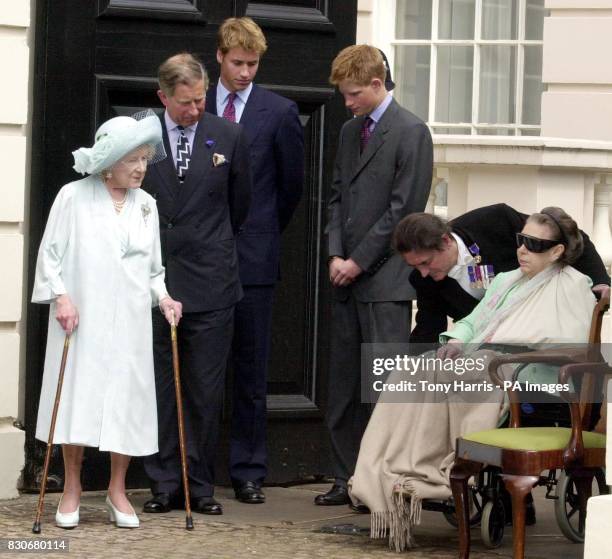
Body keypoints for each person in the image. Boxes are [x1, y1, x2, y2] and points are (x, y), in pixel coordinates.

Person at [350, 207, 597, 550]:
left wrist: (496, 346)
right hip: (490, 359)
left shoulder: (573, 286)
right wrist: (454, 342)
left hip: (536, 375)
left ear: (556, 251)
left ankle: (441, 468)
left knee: (475, 368)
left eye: (534, 244)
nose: (522, 249)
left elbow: (566, 343)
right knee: (411, 371)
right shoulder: (506, 280)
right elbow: (473, 321)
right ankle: (389, 474)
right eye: (520, 241)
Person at [32, 113, 182, 529]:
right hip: (80, 319)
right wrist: (61, 297)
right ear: (108, 162)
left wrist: (165, 297)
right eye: (132, 160)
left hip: (130, 323)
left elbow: (154, 270)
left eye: (145, 160)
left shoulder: (147, 205)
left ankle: (118, 490)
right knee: (77, 399)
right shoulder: (72, 196)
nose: (140, 168)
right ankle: (73, 488)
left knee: (126, 403)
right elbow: (50, 256)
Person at [316, 45, 433, 507]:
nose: (347, 103)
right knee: (342, 386)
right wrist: (333, 253)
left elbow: (403, 211)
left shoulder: (411, 132)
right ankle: (344, 477)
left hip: (385, 283)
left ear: (377, 84)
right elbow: (337, 196)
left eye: (353, 94)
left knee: (381, 389)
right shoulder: (349, 132)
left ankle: (379, 481)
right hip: (345, 278)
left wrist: (358, 262)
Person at [142, 53, 252, 516]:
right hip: (156, 281)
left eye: (200, 98)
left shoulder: (226, 133)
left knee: (205, 391)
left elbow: (239, 203)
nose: (194, 109)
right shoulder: (142, 135)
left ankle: (200, 485)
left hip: (211, 283)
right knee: (162, 388)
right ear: (163, 96)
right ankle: (165, 483)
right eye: (185, 102)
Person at [205, 17, 304, 504]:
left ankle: (248, 471)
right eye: (238, 63)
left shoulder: (279, 112)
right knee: (199, 370)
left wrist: (259, 232)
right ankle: (192, 472)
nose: (246, 72)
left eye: (253, 64)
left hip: (255, 257)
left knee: (250, 371)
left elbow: (290, 190)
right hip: (199, 260)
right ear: (220, 57)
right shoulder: (194, 104)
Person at [400, 203, 610, 344]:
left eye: (426, 262)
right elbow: (427, 332)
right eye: (415, 267)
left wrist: (601, 282)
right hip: (481, 352)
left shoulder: (494, 220)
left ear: (445, 241)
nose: (423, 273)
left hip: (531, 336)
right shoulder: (422, 280)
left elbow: (566, 237)